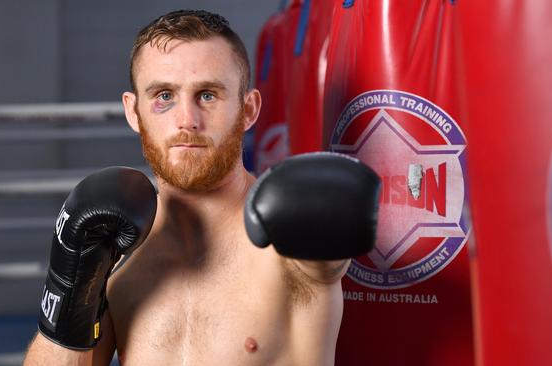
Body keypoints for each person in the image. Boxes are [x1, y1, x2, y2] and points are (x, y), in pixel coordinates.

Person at [23, 10, 379, 366]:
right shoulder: (116, 253)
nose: (187, 121)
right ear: (133, 112)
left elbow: (326, 265)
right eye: (164, 96)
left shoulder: (288, 241)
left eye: (208, 95)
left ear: (249, 108)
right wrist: (68, 287)